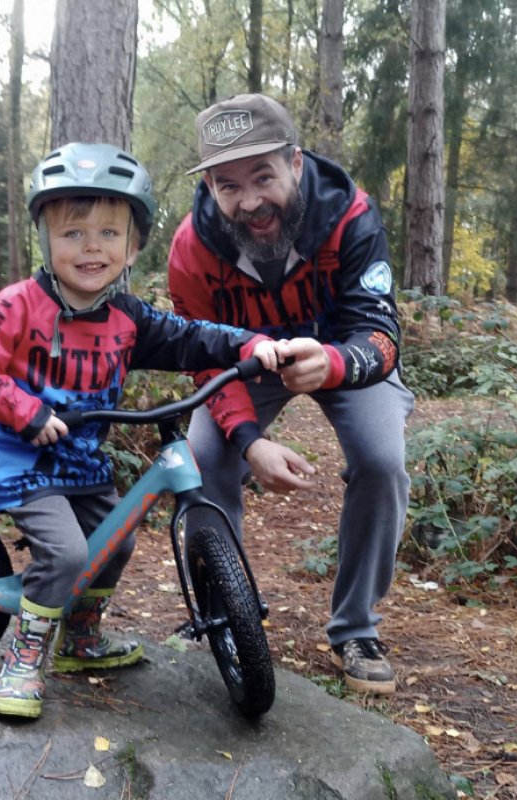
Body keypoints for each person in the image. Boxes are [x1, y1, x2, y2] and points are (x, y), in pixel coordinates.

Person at [0, 142, 294, 718]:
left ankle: (81, 639)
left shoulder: (128, 317)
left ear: (133, 245)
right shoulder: (19, 306)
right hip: (25, 462)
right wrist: (25, 412)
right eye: (73, 234)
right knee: (64, 553)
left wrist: (250, 343)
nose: (91, 248)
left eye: (109, 234)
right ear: (46, 240)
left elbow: (189, 337)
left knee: (118, 543)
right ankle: (24, 659)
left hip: (82, 465)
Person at [168, 94, 415, 695]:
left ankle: (355, 627)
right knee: (203, 459)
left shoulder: (350, 216)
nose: (250, 201)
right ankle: (222, 609)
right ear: (209, 188)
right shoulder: (191, 250)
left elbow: (382, 338)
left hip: (342, 357)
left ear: (295, 163)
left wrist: (331, 363)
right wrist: (250, 442)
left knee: (382, 460)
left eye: (262, 176)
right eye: (228, 185)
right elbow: (204, 362)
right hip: (248, 362)